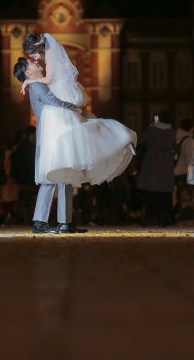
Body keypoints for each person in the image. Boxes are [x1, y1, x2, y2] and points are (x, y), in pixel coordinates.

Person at [20, 32, 136, 188]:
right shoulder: (51, 50)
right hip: (67, 89)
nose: (35, 58)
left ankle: (120, 138)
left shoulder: (49, 53)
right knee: (84, 126)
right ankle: (119, 140)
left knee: (74, 132)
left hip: (63, 92)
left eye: (33, 55)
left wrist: (28, 80)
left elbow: (49, 80)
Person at [13, 57, 88, 234]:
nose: (36, 62)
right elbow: (54, 102)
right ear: (28, 73)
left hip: (56, 135)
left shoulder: (37, 83)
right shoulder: (37, 86)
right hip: (51, 137)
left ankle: (64, 223)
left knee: (65, 177)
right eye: (31, 63)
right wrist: (76, 108)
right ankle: (40, 222)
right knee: (50, 178)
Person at [137, 110, 177, 228]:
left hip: (152, 166)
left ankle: (147, 220)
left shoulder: (152, 131)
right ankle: (162, 220)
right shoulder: (173, 134)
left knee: (150, 196)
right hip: (166, 167)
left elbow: (139, 141)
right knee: (164, 196)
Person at [12, 125, 38, 223]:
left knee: (22, 200)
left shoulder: (19, 146)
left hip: (21, 178)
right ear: (30, 135)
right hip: (28, 178)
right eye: (35, 134)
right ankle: (25, 219)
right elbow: (30, 165)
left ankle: (18, 219)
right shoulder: (28, 148)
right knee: (29, 200)